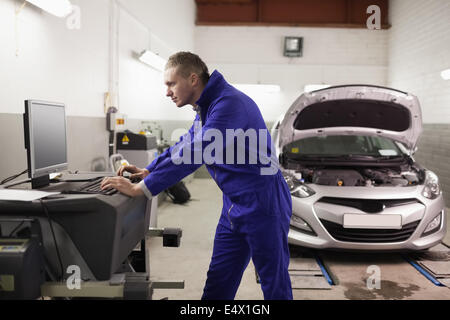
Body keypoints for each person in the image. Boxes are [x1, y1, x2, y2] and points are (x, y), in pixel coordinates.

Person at [101, 51, 293, 300]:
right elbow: (185, 143)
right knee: (218, 282)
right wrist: (151, 170)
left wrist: (143, 188)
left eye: (171, 83)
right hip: (233, 205)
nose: (167, 92)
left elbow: (197, 151)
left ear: (192, 79)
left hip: (264, 203)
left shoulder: (229, 105)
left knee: (273, 283)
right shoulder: (207, 107)